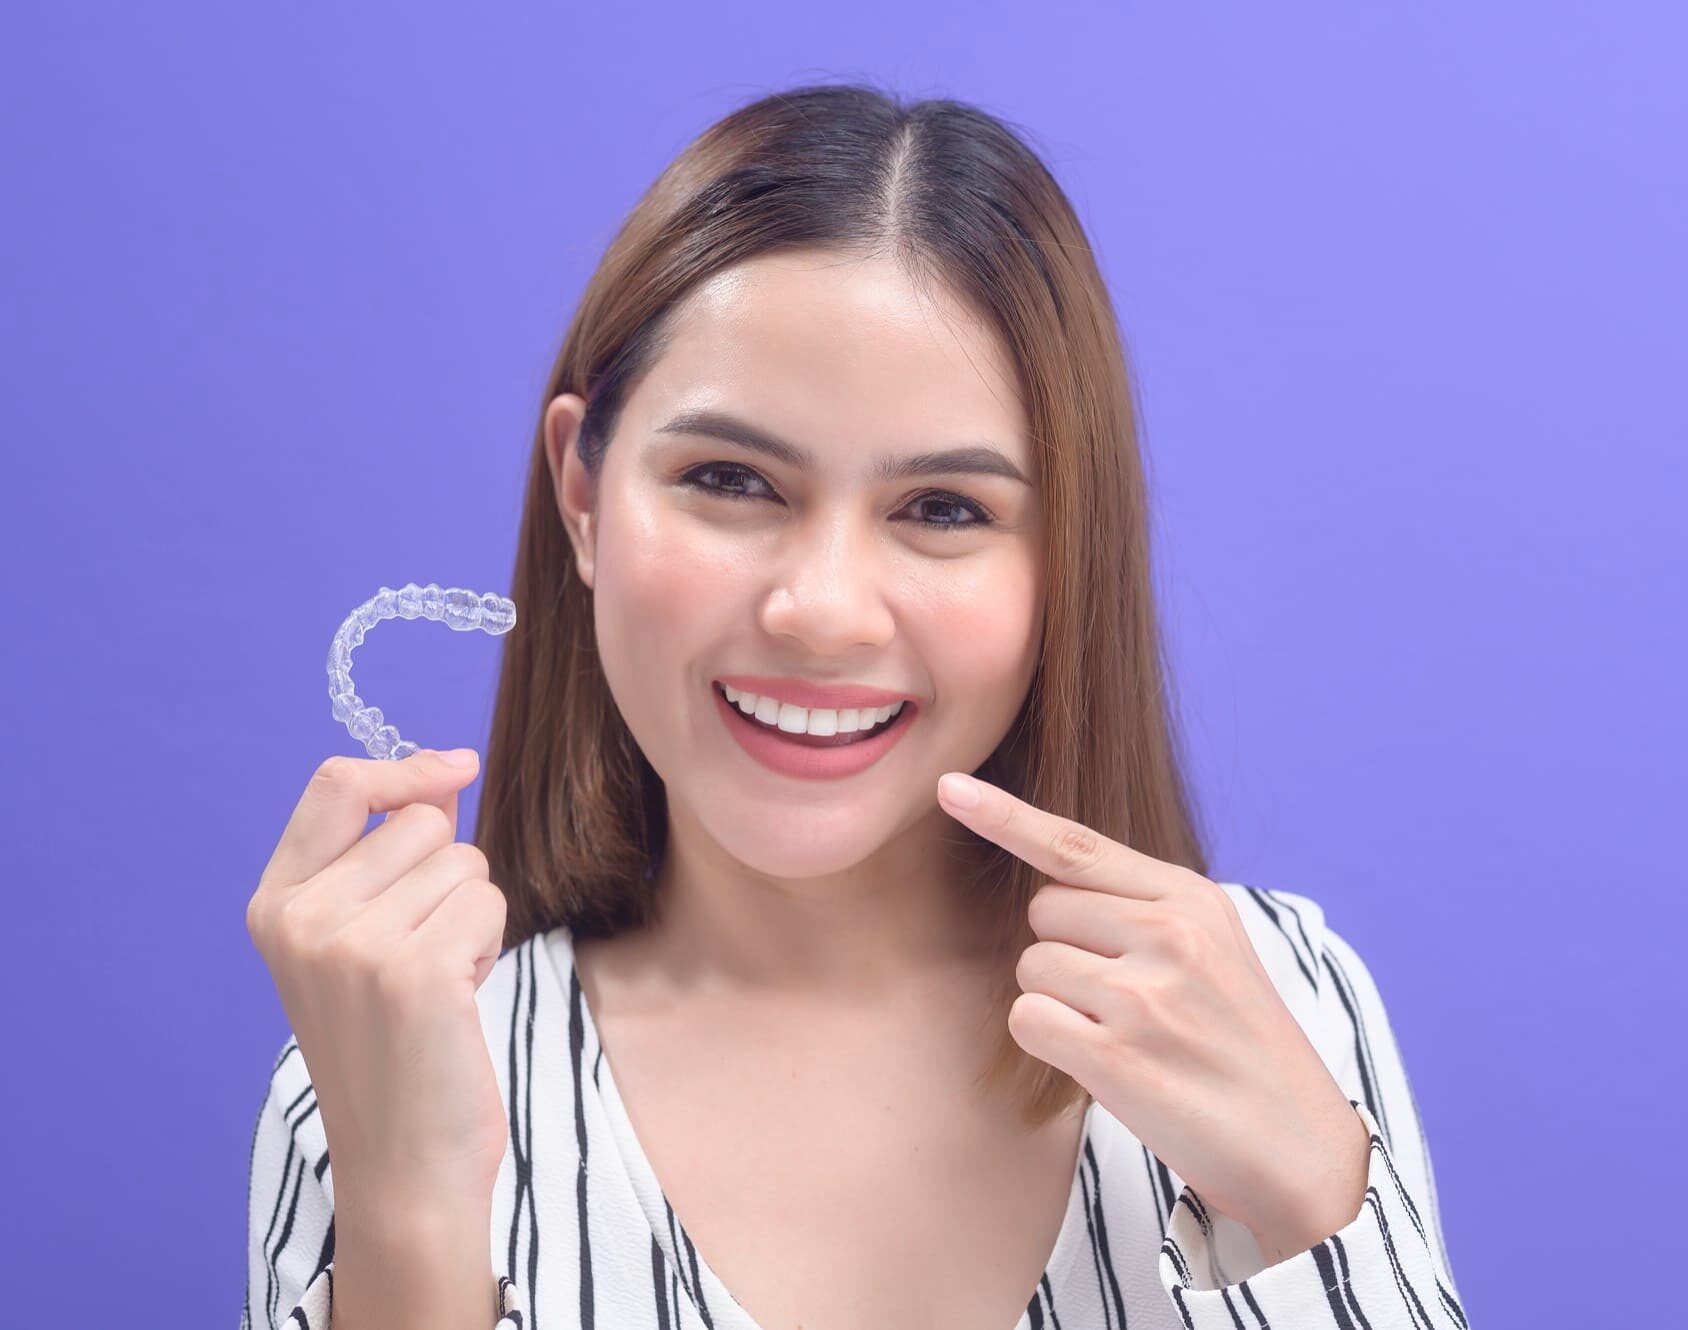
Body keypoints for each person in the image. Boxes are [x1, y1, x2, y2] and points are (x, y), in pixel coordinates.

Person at [242, 82, 1469, 1330]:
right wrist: (406, 1211)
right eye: (731, 479)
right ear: (583, 493)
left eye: (944, 508)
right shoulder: (374, 1076)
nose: (822, 611)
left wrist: (1314, 1197)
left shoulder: (1281, 995)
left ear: (1069, 557)